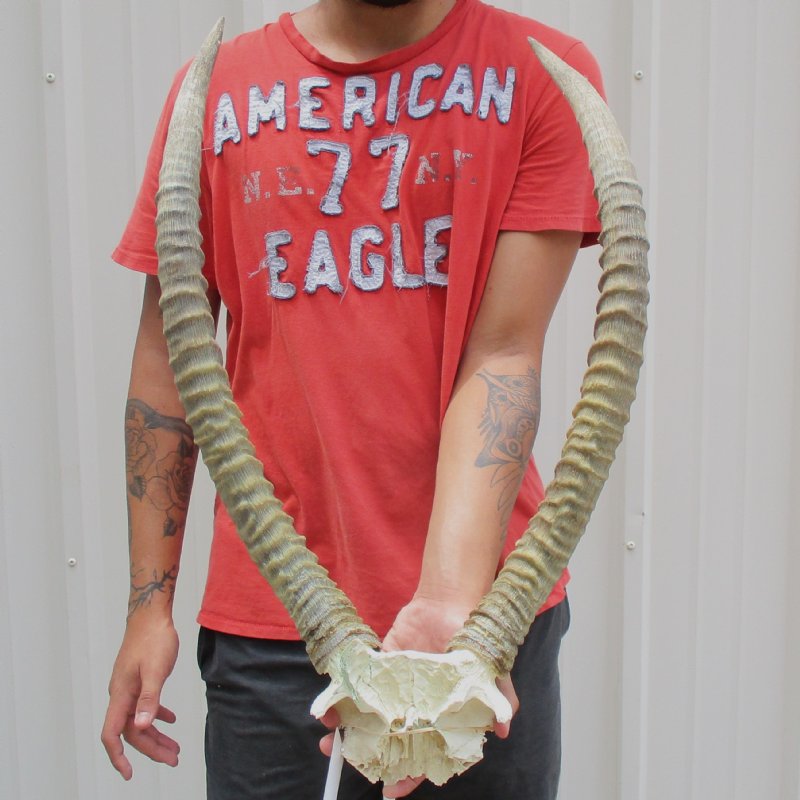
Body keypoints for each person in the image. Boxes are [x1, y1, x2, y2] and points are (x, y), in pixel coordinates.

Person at [101, 0, 603, 797]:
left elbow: (505, 353)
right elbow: (170, 356)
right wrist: (147, 606)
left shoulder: (540, 72)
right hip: (275, 627)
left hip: (484, 628)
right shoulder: (217, 90)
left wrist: (450, 606)